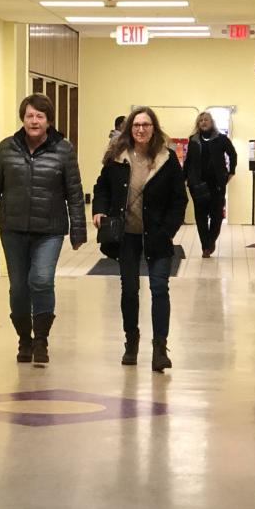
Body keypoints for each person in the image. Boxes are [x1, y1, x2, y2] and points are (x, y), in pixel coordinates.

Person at [0, 94, 87, 367]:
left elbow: (74, 192)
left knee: (40, 279)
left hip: (49, 229)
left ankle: (41, 340)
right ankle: (24, 339)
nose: (34, 121)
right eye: (29, 116)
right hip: (12, 229)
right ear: (22, 119)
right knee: (18, 289)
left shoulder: (64, 149)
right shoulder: (6, 148)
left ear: (49, 120)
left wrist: (78, 231)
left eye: (39, 116)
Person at [92, 107, 187, 372]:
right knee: (129, 289)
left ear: (153, 128)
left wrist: (168, 230)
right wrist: (99, 209)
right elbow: (101, 187)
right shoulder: (117, 158)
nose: (141, 129)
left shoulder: (167, 160)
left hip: (157, 236)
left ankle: (160, 348)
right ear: (129, 129)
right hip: (127, 236)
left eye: (146, 125)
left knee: (159, 289)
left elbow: (179, 199)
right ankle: (131, 343)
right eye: (136, 125)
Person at [183, 111, 237, 258]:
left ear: (211, 122)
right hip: (197, 184)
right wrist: (185, 177)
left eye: (206, 120)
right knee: (200, 216)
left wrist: (231, 172)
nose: (203, 122)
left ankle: (211, 240)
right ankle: (205, 246)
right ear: (197, 124)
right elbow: (188, 161)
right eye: (200, 121)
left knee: (217, 215)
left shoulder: (221, 139)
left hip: (216, 184)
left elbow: (233, 154)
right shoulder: (193, 140)